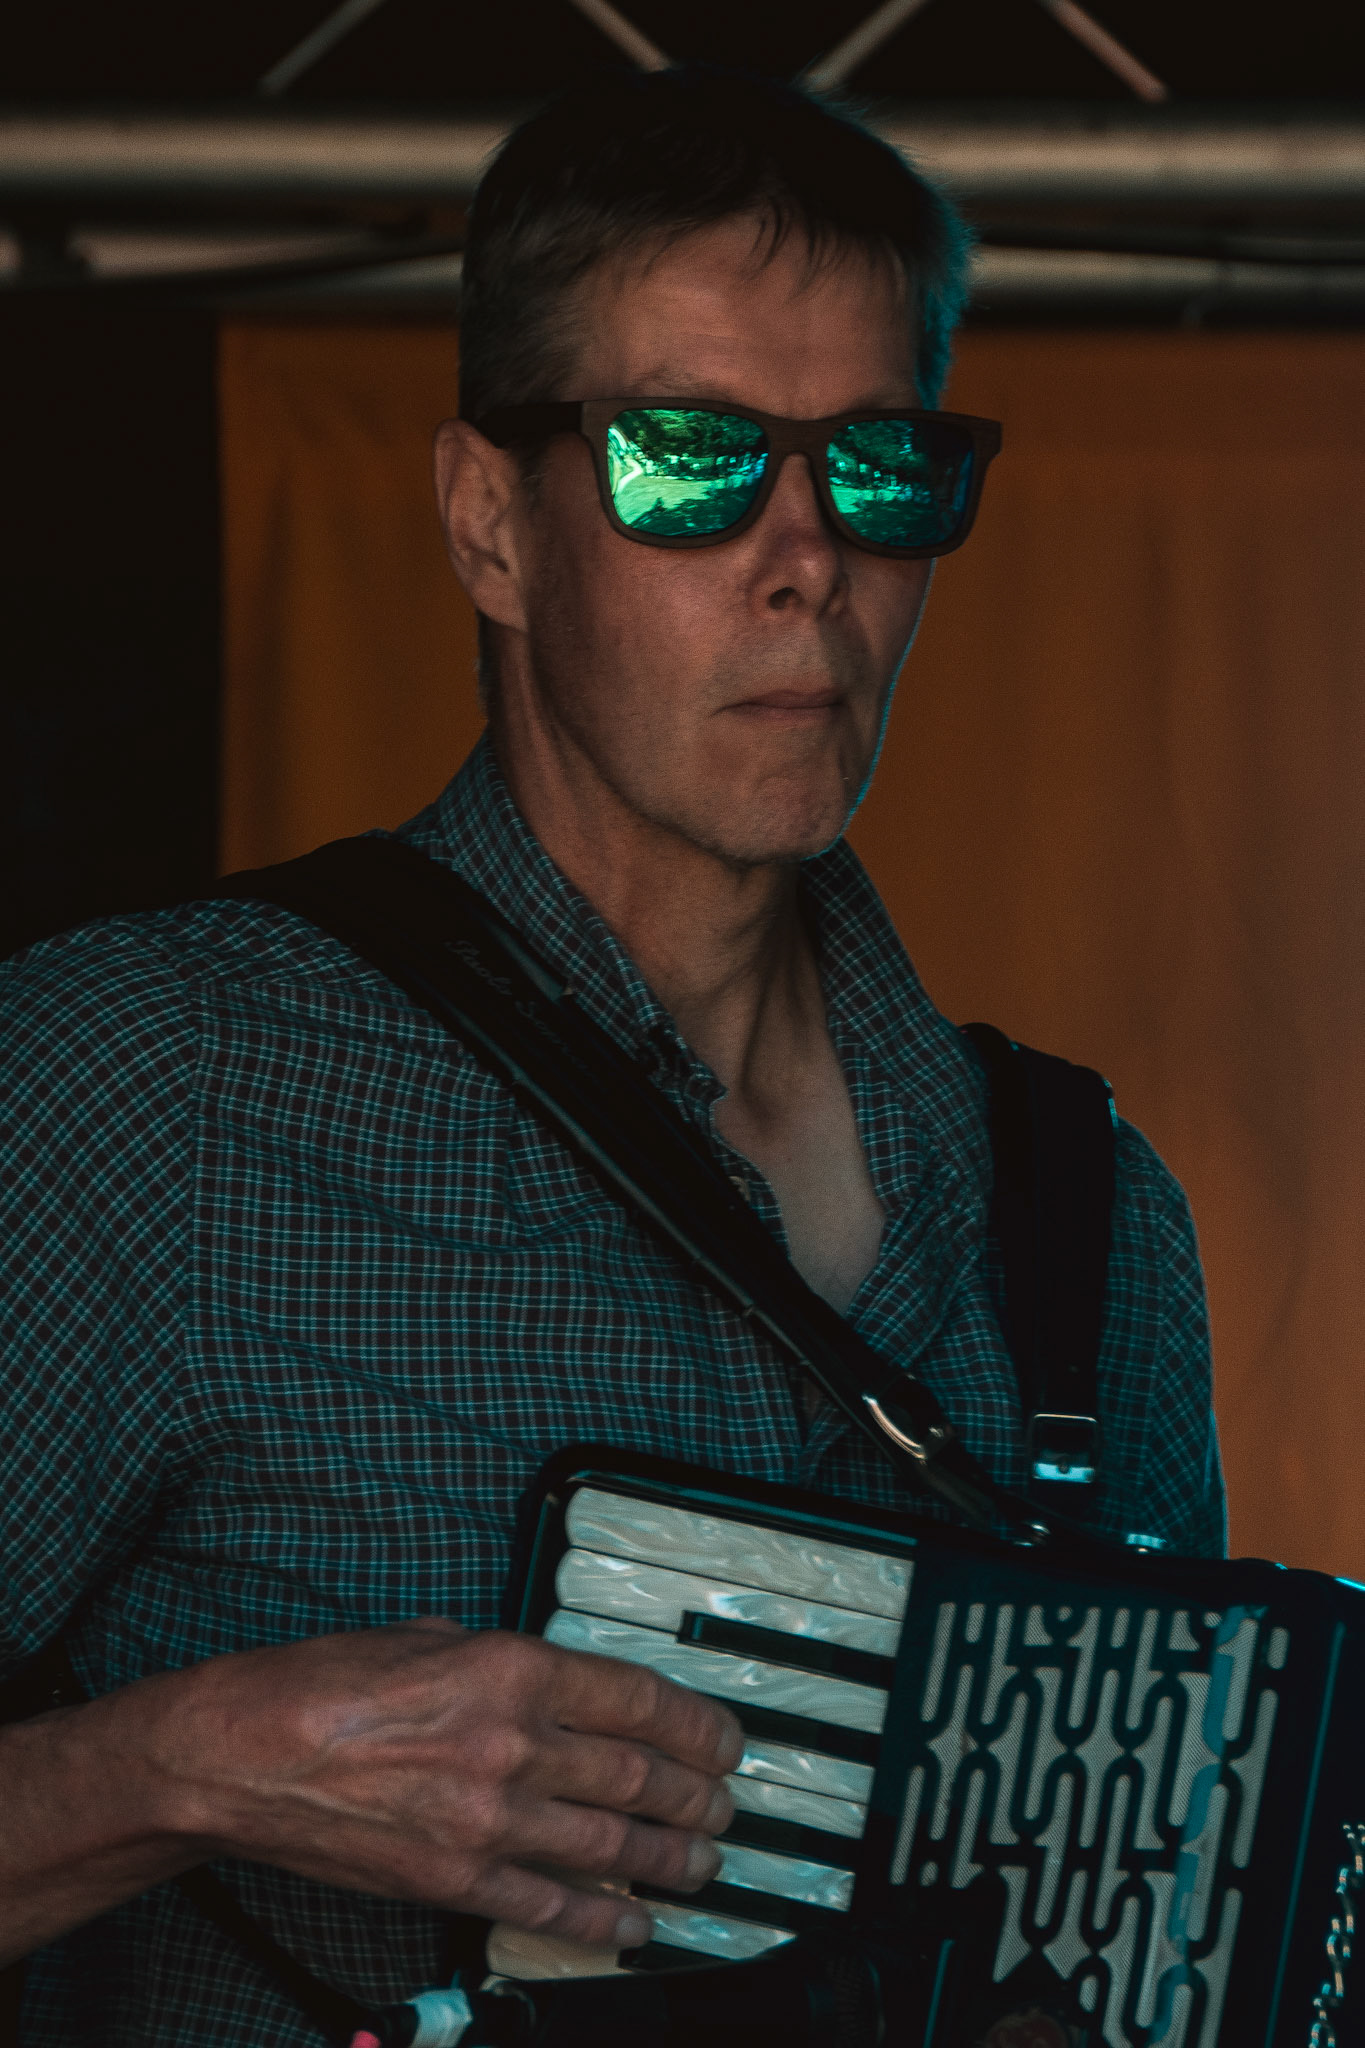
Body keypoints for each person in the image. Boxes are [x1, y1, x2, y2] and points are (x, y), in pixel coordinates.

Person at [0, 63, 1223, 2047]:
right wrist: (176, 1772)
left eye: (880, 467)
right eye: (688, 459)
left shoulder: (1093, 1218)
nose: (805, 556)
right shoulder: (140, 1088)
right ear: (488, 524)